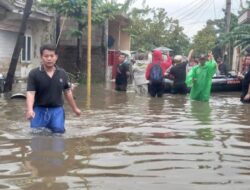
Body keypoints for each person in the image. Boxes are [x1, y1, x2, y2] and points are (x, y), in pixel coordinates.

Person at [26, 44, 81, 134]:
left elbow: (68, 92)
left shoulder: (62, 73)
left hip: (57, 110)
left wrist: (75, 109)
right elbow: (30, 93)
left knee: (58, 135)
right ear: (41, 57)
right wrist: (29, 110)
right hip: (39, 110)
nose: (49, 59)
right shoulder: (34, 74)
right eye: (46, 56)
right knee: (36, 135)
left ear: (56, 57)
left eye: (52, 56)